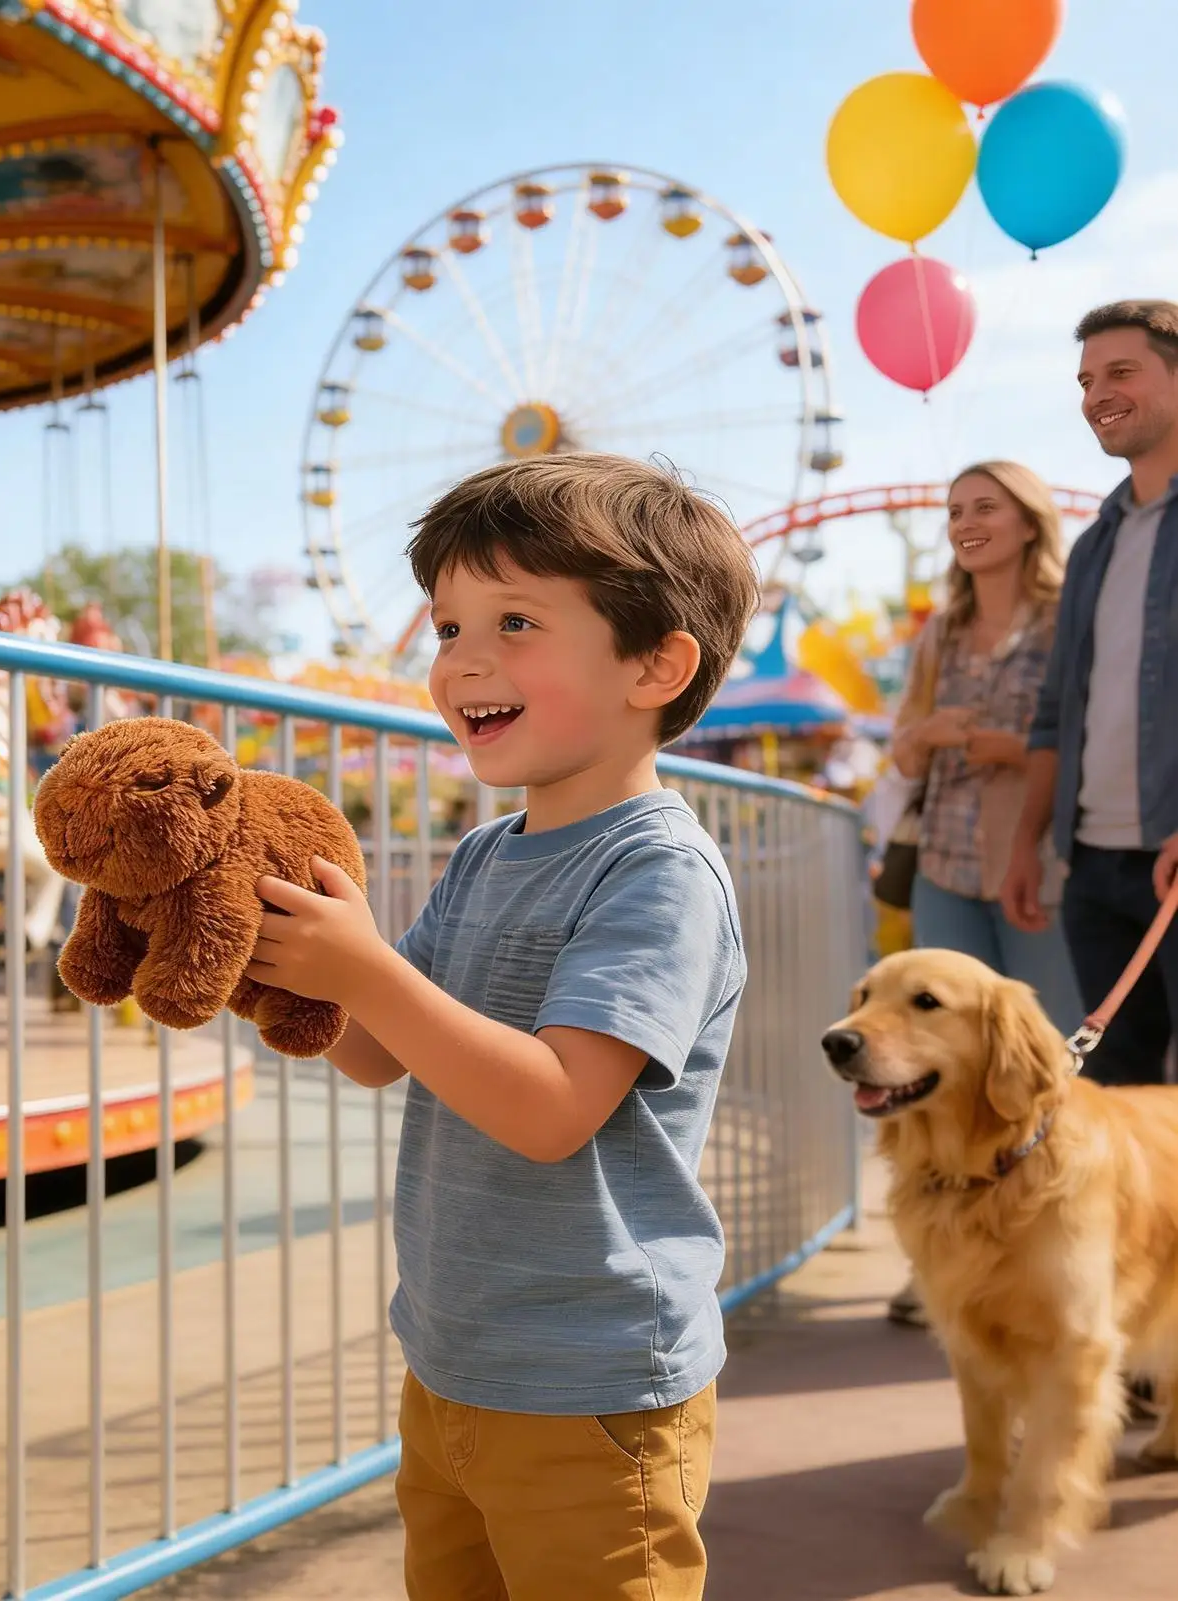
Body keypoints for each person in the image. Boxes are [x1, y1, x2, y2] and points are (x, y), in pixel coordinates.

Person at [245, 453, 756, 1600]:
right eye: (447, 624)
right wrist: (271, 953)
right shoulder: (485, 854)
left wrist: (366, 966)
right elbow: (376, 1048)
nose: (463, 659)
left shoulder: (656, 871)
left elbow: (548, 1107)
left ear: (656, 664)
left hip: (592, 1386)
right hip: (450, 1357)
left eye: (514, 620)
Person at [882, 462, 1080, 1331]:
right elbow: (897, 751)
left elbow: (1100, 736)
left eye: (983, 507)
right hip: (946, 865)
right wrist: (927, 734)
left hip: (1041, 862)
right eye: (954, 510)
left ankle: (1057, 1237)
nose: (964, 522)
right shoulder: (940, 632)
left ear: (1028, 520)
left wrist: (1015, 747)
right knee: (938, 1063)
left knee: (1048, 1061)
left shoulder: (1067, 616)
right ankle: (941, 1247)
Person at [1003, 301, 1178, 1086]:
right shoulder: (1092, 546)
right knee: (1120, 1108)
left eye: (1119, 372)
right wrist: (1026, 843)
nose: (1094, 394)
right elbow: (1056, 710)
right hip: (1095, 870)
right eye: (1083, 380)